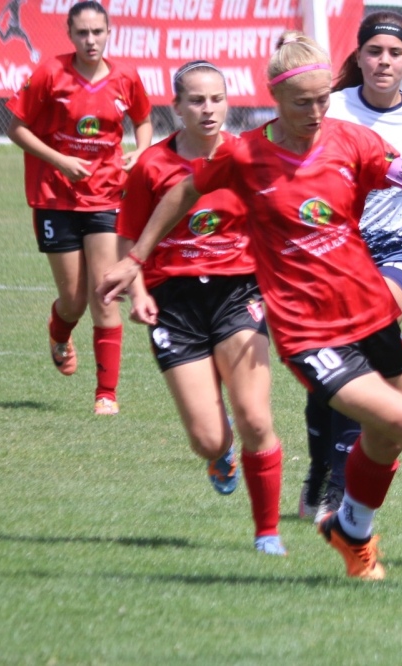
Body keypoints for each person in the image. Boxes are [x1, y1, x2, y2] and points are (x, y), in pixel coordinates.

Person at [98, 31, 402, 582]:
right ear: (275, 97)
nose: (317, 111)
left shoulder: (351, 142)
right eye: (302, 102)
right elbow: (184, 192)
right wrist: (137, 257)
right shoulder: (246, 156)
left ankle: (350, 530)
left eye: (323, 99)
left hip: (371, 314)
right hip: (308, 334)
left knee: (384, 438)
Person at [297, 10, 402, 523]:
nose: (383, 61)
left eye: (394, 53)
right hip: (331, 250)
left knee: (361, 352)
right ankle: (322, 473)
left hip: (396, 250)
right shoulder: (330, 111)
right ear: (359, 55)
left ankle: (340, 494)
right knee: (328, 372)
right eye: (374, 51)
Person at [115, 61, 284, 556]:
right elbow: (129, 235)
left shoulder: (248, 157)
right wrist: (139, 291)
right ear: (177, 107)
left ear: (228, 102)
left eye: (215, 99)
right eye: (195, 100)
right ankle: (220, 455)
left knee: (255, 417)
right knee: (209, 439)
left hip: (237, 292)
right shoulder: (152, 165)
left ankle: (267, 533)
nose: (207, 109)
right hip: (174, 302)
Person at [6, 0, 152, 415]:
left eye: (98, 32)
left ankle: (105, 394)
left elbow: (143, 119)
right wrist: (60, 161)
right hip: (55, 198)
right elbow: (15, 126)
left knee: (104, 292)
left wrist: (141, 152)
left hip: (107, 196)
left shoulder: (126, 77)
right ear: (70, 35)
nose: (91, 40)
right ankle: (59, 330)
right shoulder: (50, 73)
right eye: (83, 33)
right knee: (72, 299)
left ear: (109, 33)